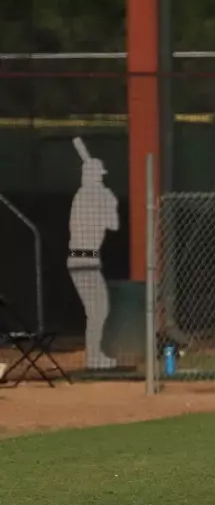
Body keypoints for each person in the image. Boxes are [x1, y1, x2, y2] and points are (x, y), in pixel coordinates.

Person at [66, 137, 118, 371]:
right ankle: (93, 357)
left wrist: (108, 201)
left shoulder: (86, 195)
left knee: (97, 311)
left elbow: (112, 225)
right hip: (85, 260)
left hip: (83, 259)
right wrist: (108, 202)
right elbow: (113, 223)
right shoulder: (88, 197)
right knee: (98, 310)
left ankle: (94, 355)